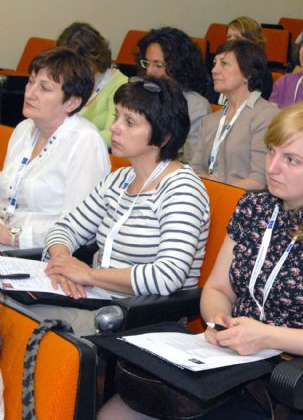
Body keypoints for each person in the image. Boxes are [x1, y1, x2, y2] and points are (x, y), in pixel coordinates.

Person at [97, 101, 303, 420]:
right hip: (230, 362)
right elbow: (218, 289)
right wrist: (220, 322)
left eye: (292, 160)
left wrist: (268, 335)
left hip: (287, 386)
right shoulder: (253, 208)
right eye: (271, 152)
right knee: (112, 415)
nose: (272, 167)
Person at [35, 76, 210, 337]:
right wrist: (63, 263)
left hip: (138, 318)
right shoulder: (119, 179)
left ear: (163, 137)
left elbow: (167, 276)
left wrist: (89, 275)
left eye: (130, 122)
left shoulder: (182, 189)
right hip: (96, 299)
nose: (114, 128)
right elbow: (65, 228)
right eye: (117, 116)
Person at [0, 47, 109, 250]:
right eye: (31, 81)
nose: (30, 93)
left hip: (41, 253)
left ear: (72, 102)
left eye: (45, 88)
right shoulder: (24, 129)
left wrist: (13, 237)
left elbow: (80, 226)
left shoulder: (85, 141)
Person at [191, 40, 278, 190]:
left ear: (247, 74)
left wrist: (217, 189)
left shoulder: (267, 116)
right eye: (215, 63)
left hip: (242, 201)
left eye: (224, 64)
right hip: (208, 197)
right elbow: (195, 170)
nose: (214, 70)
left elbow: (260, 180)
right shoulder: (210, 120)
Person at [137, 27, 211, 163]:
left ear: (179, 67)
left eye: (158, 65)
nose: (149, 71)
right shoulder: (141, 92)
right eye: (147, 63)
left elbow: (193, 161)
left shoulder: (196, 106)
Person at [56, 22, 128, 147]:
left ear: (93, 59)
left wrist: (70, 141)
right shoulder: (69, 79)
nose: (69, 69)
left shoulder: (120, 85)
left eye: (75, 63)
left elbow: (112, 135)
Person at [216, 17, 273, 101]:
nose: (231, 42)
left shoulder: (263, 74)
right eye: (229, 37)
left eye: (238, 37)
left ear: (253, 41)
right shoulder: (219, 67)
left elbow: (254, 103)